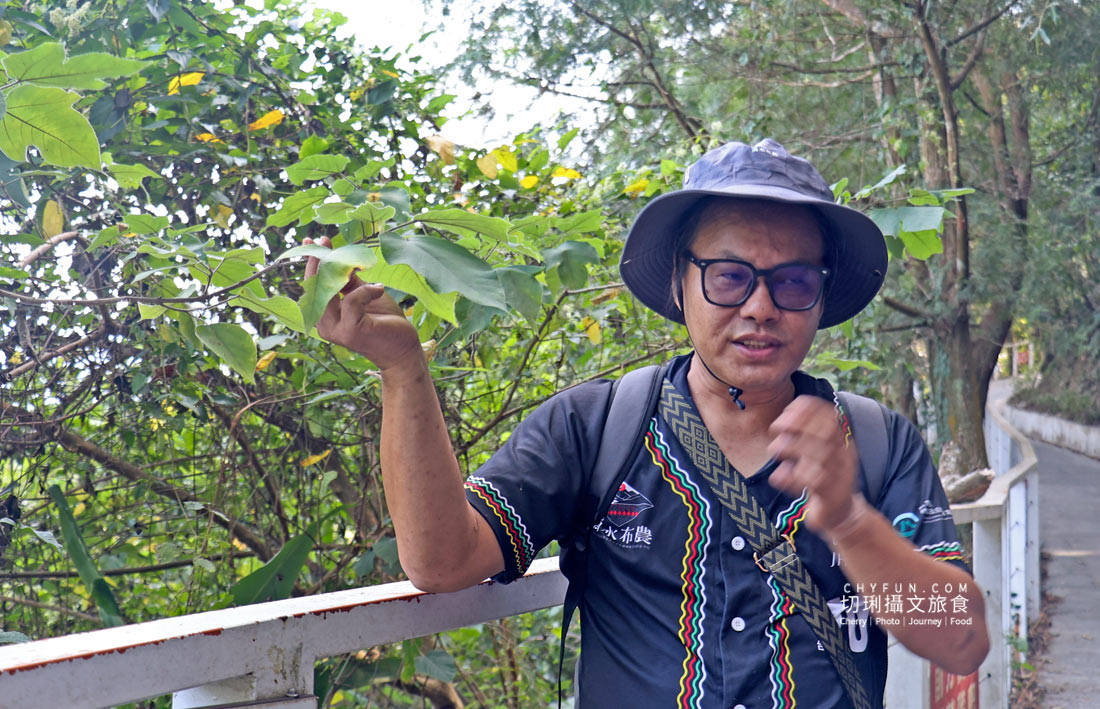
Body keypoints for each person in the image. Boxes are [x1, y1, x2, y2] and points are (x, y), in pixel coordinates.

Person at [305, 139, 989, 708]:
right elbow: (441, 560)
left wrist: (848, 521)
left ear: (820, 296)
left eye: (793, 281)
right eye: (729, 276)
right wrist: (403, 371)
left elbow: (959, 641)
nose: (760, 307)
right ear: (678, 284)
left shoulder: (878, 444)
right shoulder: (595, 430)